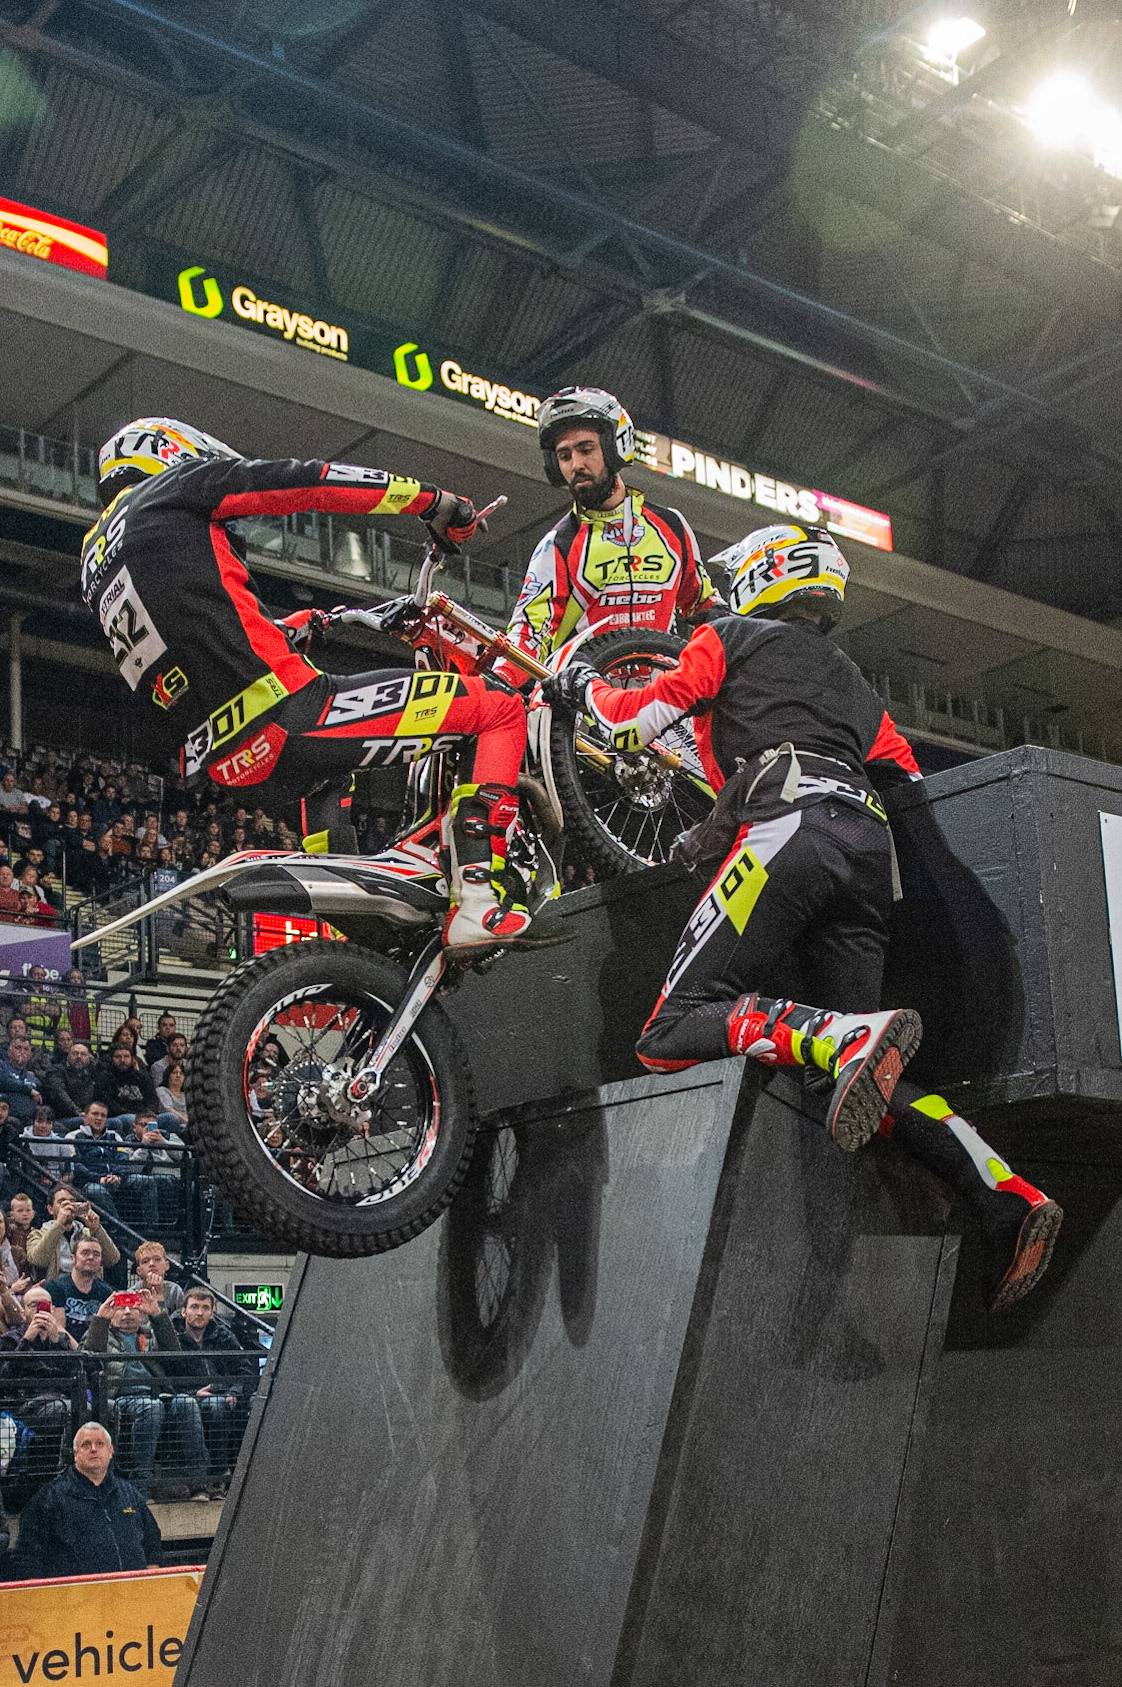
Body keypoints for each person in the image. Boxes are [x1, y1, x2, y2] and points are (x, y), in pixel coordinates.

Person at [545, 521, 1062, 1308]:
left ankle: (836, 1033)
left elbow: (627, 724)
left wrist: (580, 682)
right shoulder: (854, 680)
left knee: (667, 1029)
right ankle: (1008, 1195)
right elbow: (908, 778)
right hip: (868, 856)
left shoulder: (727, 637)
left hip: (786, 831)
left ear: (760, 578)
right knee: (863, 1084)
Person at [82, 418, 541, 948]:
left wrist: (318, 621)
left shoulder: (100, 560)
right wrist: (431, 501)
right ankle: (478, 900)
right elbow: (306, 481)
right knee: (500, 708)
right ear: (174, 454)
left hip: (228, 761)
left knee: (326, 775)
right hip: (289, 713)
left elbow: (208, 628)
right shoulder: (170, 489)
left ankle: (362, 937)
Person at [502, 387, 720, 676]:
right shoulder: (556, 546)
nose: (576, 465)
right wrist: (500, 680)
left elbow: (705, 607)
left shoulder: (671, 525)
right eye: (564, 455)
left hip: (666, 704)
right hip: (587, 709)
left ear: (615, 445)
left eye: (586, 449)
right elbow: (529, 633)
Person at [80, 1286, 207, 1499]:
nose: (128, 1312)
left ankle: (200, 1483)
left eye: (133, 1307)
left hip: (156, 1393)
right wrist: (100, 1319)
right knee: (152, 1408)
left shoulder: (149, 1335)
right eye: (122, 1308)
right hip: (119, 1397)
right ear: (112, 1313)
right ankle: (142, 1482)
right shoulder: (102, 1333)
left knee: (186, 1403)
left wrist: (157, 1314)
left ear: (141, 1313)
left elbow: (174, 1354)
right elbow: (88, 1360)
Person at [7, 1421, 162, 1579]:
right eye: (86, 1445)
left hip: (131, 1595)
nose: (93, 1449)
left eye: (100, 1444)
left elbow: (152, 1540)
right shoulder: (49, 1498)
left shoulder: (129, 1494)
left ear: (110, 1451)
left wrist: (149, 1581)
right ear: (75, 1454)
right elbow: (28, 1556)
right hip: (75, 1600)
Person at [170, 1286, 258, 1493]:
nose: (199, 1313)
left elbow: (245, 1371)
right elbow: (166, 1376)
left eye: (204, 1308)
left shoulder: (224, 1335)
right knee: (208, 1405)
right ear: (183, 1311)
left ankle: (220, 1475)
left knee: (218, 1405)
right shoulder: (174, 1338)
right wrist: (194, 1394)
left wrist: (234, 1392)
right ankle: (212, 1477)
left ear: (212, 1312)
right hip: (187, 1397)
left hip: (223, 1394)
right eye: (194, 1307)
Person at [0, 1286, 79, 1491]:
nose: (39, 1310)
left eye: (44, 1305)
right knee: (71, 1409)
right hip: (28, 1403)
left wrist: (57, 1340)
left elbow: (78, 1371)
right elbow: (5, 1376)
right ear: (23, 1311)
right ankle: (66, 1481)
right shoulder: (10, 1340)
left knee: (109, 1406)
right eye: (33, 1305)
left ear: (52, 1309)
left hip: (62, 1398)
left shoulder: (59, 1340)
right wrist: (26, 1340)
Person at [26, 1183, 122, 1282]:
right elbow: (38, 1260)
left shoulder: (87, 1233)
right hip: (56, 1289)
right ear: (50, 1209)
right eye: (62, 1202)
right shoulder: (37, 1234)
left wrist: (96, 1229)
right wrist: (59, 1224)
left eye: (72, 1201)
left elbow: (113, 1259)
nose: (68, 1206)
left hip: (88, 1288)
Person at [42, 1235, 116, 1340]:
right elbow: (59, 1331)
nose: (91, 1257)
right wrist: (80, 1351)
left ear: (100, 1262)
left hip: (96, 1350)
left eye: (96, 1254)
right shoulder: (55, 1287)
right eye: (85, 1253)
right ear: (73, 1259)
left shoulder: (106, 1292)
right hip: (66, 1352)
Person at [65, 1100, 125, 1219]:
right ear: (85, 1117)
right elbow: (76, 1165)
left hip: (115, 1179)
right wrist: (99, 1178)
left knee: (146, 1181)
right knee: (96, 1190)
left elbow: (124, 1159)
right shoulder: (73, 1136)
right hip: (88, 1182)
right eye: (95, 1114)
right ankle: (118, 1228)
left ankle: (152, 1230)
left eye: (103, 1115)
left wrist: (118, 1175)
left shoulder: (115, 1136)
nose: (99, 1118)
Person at [43, 1040, 99, 1120]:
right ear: (68, 1056)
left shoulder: (92, 1073)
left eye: (83, 1054)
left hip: (89, 1115)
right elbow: (60, 1095)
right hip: (64, 1117)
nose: (79, 1057)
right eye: (75, 1053)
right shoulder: (56, 1071)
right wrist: (78, 1112)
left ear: (89, 1058)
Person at [20, 1106, 76, 1183]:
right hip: (26, 1183)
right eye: (40, 1121)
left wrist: (55, 1182)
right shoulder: (20, 1140)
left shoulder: (62, 1144)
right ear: (33, 1122)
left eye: (48, 1122)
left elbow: (69, 1174)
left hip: (53, 1186)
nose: (43, 1126)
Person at [156, 1059, 188, 1132]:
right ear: (168, 1076)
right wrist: (187, 1121)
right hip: (170, 1122)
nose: (178, 1076)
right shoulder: (162, 1090)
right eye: (174, 1073)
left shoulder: (186, 1094)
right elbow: (168, 1110)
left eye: (181, 1073)